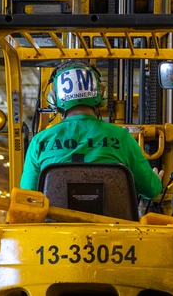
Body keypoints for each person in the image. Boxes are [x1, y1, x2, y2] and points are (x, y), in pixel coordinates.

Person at [19, 61, 164, 200]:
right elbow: (151, 191)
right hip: (112, 224)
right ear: (101, 94)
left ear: (54, 99)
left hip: (57, 225)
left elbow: (27, 197)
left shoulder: (40, 141)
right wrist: (155, 181)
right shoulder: (122, 137)